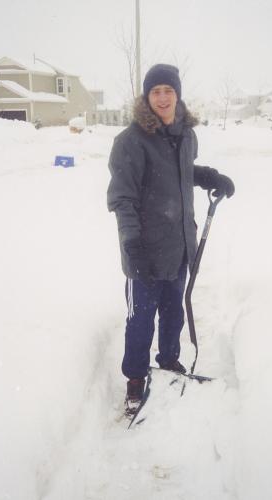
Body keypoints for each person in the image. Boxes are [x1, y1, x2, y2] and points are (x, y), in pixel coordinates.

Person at [107, 64, 234, 414]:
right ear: (146, 97)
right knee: (141, 319)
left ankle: (168, 361)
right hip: (143, 252)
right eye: (156, 91)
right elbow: (122, 198)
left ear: (177, 94)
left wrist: (206, 175)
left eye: (169, 90)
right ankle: (134, 379)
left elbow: (177, 171)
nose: (163, 98)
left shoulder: (185, 134)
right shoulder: (131, 141)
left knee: (173, 311)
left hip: (178, 247)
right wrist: (132, 246)